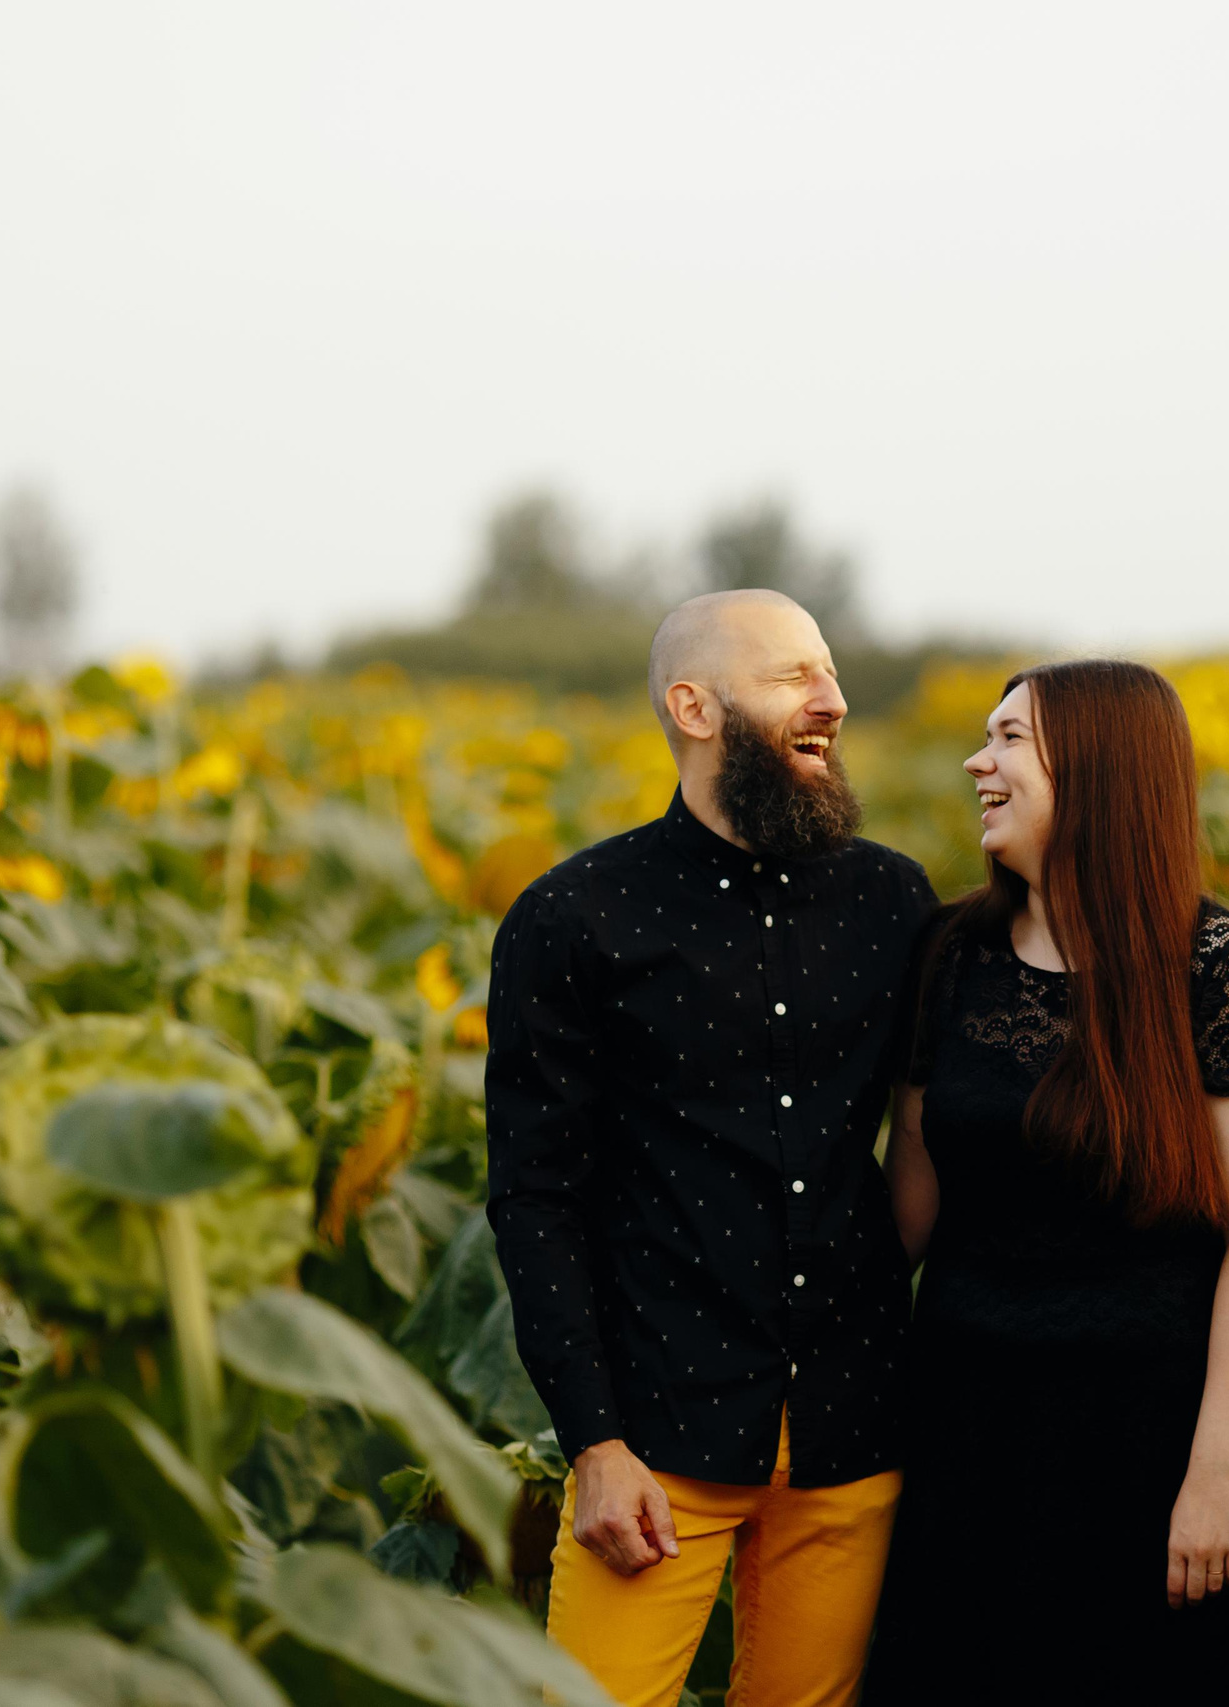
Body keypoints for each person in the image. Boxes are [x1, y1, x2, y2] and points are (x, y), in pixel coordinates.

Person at [485, 589, 936, 1707]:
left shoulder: (893, 901)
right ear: (694, 708)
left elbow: (932, 1138)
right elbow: (535, 1198)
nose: (832, 699)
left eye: (830, 672)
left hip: (849, 1431)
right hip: (654, 1443)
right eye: (793, 676)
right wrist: (594, 1444)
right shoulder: (574, 917)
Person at [864, 659, 1229, 1706]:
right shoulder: (952, 955)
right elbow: (907, 1217)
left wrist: (1215, 1476)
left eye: (1009, 739)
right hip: (971, 1438)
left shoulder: (1213, 964)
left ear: (1099, 770)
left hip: (1150, 1442)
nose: (976, 762)